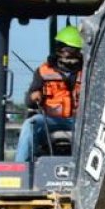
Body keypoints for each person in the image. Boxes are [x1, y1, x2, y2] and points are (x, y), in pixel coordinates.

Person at [15, 25, 82, 162]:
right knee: (30, 125)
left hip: (79, 120)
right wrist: (34, 96)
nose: (69, 54)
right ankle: (20, 169)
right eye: (66, 50)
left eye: (73, 51)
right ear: (59, 50)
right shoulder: (43, 71)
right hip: (49, 119)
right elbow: (29, 99)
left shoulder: (88, 71)